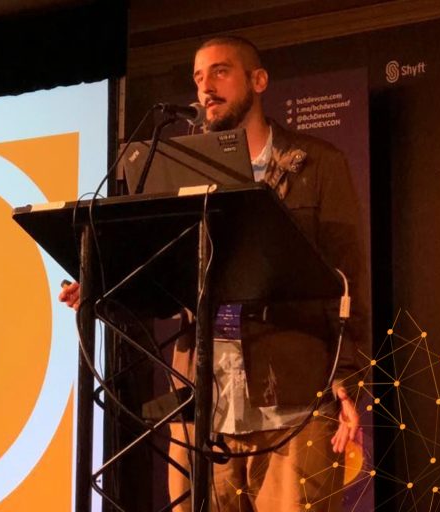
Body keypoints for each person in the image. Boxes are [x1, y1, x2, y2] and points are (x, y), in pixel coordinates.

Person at [60, 36, 366, 512]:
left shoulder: (317, 164)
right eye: (198, 77)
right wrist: (109, 286)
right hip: (203, 403)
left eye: (221, 71)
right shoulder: (180, 172)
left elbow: (347, 281)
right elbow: (164, 281)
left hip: (291, 400)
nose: (206, 87)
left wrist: (348, 380)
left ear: (258, 80)